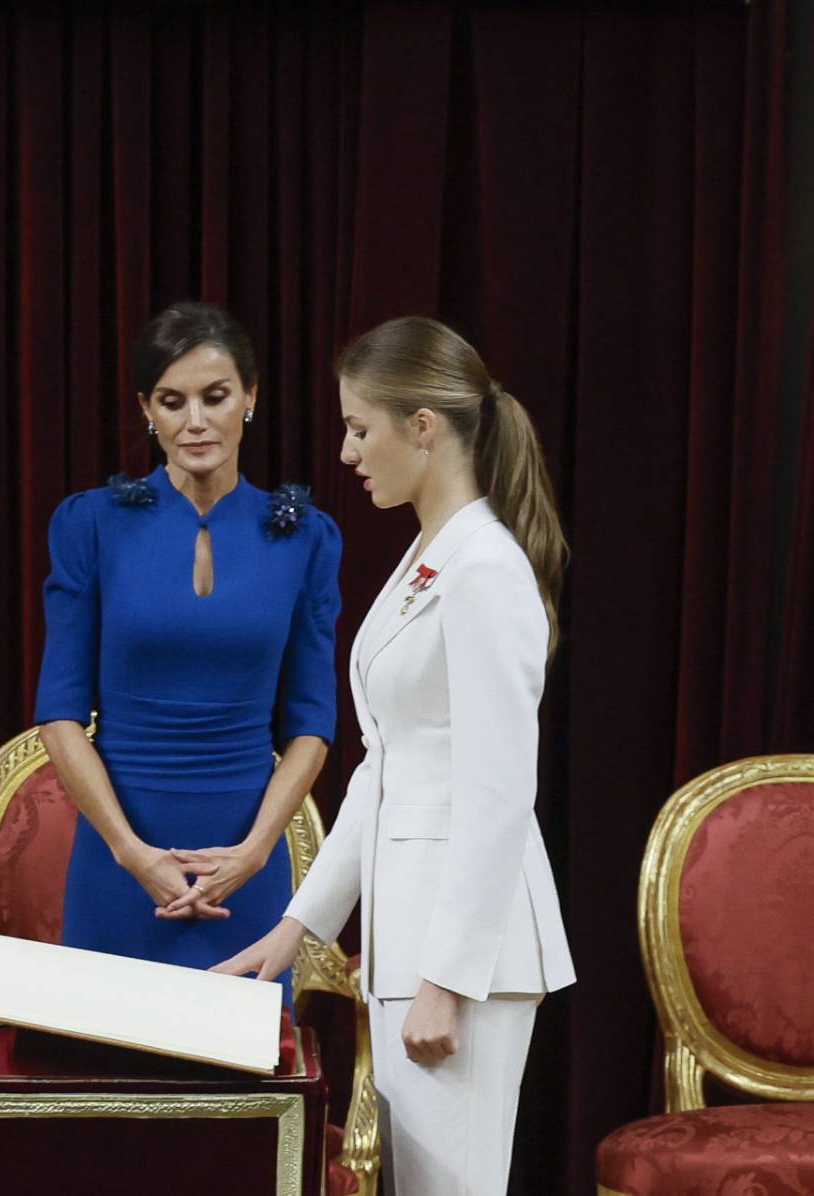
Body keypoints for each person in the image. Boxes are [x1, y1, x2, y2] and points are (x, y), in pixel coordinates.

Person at [215, 317, 576, 1194]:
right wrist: (299, 927)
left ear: (424, 426)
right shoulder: (429, 555)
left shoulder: (485, 568)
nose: (346, 451)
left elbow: (497, 793)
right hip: (412, 940)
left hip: (465, 959)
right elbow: (387, 768)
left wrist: (445, 980)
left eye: (360, 428)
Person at [32, 301, 342, 1000]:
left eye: (215, 396)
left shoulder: (306, 538)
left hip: (246, 875)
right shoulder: (91, 525)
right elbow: (58, 714)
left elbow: (312, 724)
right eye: (172, 402)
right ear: (147, 409)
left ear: (250, 399)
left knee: (247, 1100)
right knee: (111, 1090)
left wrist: (257, 851)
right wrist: (130, 852)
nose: (195, 421)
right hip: (119, 871)